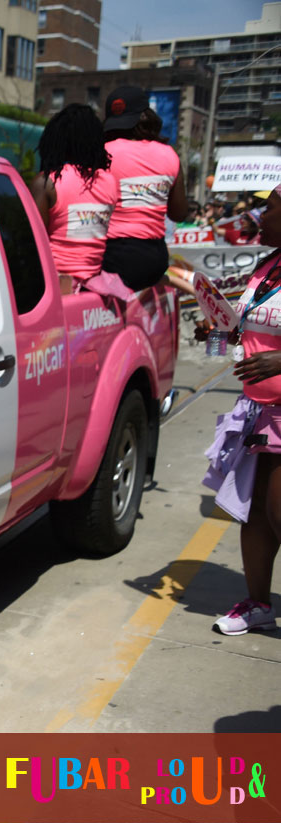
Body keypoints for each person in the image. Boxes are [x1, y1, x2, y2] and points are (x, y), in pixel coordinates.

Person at [203, 183, 281, 636]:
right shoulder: (269, 265)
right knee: (252, 513)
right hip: (257, 408)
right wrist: (224, 330)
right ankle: (258, 603)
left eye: (268, 208)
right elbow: (255, 325)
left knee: (277, 510)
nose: (258, 216)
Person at [100, 86, 192, 295]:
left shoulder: (103, 154)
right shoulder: (169, 155)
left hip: (113, 257)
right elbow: (178, 213)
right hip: (156, 259)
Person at [29, 104, 119, 294]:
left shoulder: (47, 183)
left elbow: (32, 242)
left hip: (54, 288)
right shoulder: (110, 182)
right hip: (94, 288)